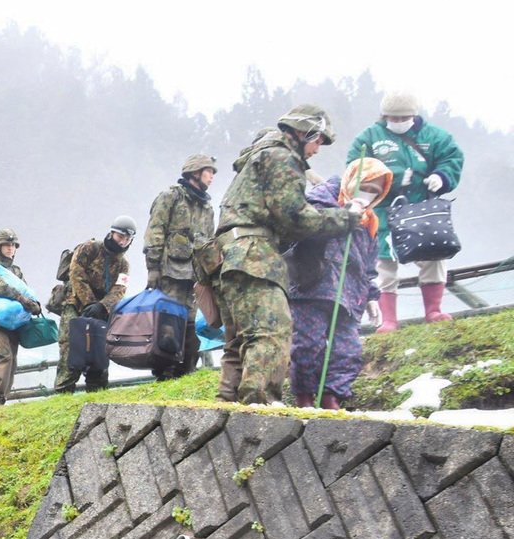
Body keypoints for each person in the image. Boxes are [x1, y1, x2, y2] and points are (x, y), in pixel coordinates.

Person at [212, 105, 363, 404]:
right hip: (255, 255)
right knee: (272, 331)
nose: (317, 149)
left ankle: (228, 402)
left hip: (230, 255)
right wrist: (346, 219)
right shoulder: (283, 158)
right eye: (318, 140)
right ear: (304, 131)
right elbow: (295, 218)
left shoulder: (258, 159)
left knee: (242, 337)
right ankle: (260, 404)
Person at [347, 91, 466, 329]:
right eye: (393, 118)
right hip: (383, 210)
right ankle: (388, 319)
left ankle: (433, 311)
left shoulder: (435, 137)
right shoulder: (369, 138)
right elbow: (355, 168)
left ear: (414, 115)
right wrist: (379, 183)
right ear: (384, 116)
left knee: (434, 255)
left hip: (424, 209)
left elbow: (452, 158)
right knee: (383, 262)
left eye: (404, 118)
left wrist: (441, 177)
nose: (398, 122)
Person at [285, 159, 390, 409]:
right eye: (365, 186)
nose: (369, 194)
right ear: (351, 180)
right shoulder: (321, 199)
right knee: (308, 345)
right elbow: (305, 229)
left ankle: (332, 396)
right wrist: (345, 215)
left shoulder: (370, 221)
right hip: (312, 287)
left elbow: (368, 263)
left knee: (348, 350)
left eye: (376, 191)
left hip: (350, 295)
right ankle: (305, 398)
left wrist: (372, 296)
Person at [144, 153, 218, 378]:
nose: (212, 177)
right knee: (168, 323)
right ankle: (164, 372)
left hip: (197, 277)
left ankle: (186, 370)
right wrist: (153, 268)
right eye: (209, 171)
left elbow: (211, 242)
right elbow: (155, 231)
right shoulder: (170, 197)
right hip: (170, 273)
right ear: (196, 172)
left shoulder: (207, 208)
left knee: (193, 324)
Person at [55, 217, 135, 394]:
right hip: (74, 305)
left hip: (101, 313)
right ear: (112, 232)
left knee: (99, 355)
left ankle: (97, 396)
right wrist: (89, 302)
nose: (123, 241)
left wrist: (102, 306)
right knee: (70, 351)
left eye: (127, 239)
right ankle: (62, 394)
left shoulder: (124, 264)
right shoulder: (89, 248)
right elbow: (76, 274)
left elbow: (120, 289)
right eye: (120, 236)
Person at [0, 229, 41, 407]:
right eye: (6, 244)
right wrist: (20, 298)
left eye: (12, 245)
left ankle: (1, 399)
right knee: (2, 355)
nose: (10, 248)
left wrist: (34, 305)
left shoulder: (16, 271)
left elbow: (26, 291)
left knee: (11, 359)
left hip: (13, 321)